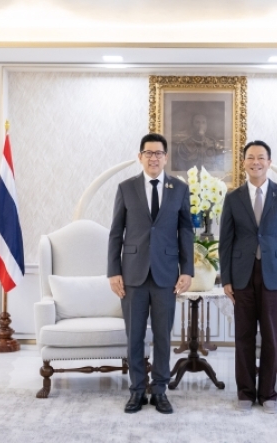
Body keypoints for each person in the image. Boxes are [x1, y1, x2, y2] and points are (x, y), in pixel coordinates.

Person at [108, 133, 194, 414]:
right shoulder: (126, 188)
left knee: (162, 336)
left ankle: (159, 391)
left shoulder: (179, 189)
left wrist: (187, 270)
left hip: (166, 274)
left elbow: (185, 231)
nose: (153, 158)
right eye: (148, 153)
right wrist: (113, 271)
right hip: (132, 274)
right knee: (134, 337)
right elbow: (116, 232)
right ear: (140, 157)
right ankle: (136, 391)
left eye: (158, 153)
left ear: (166, 158)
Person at [218, 140, 277, 414]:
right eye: (250, 157)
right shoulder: (233, 198)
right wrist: (226, 278)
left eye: (261, 157)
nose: (256, 162)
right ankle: (245, 392)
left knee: (271, 336)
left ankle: (268, 393)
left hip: (275, 275)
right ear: (244, 163)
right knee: (243, 336)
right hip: (242, 275)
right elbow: (225, 241)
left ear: (269, 162)